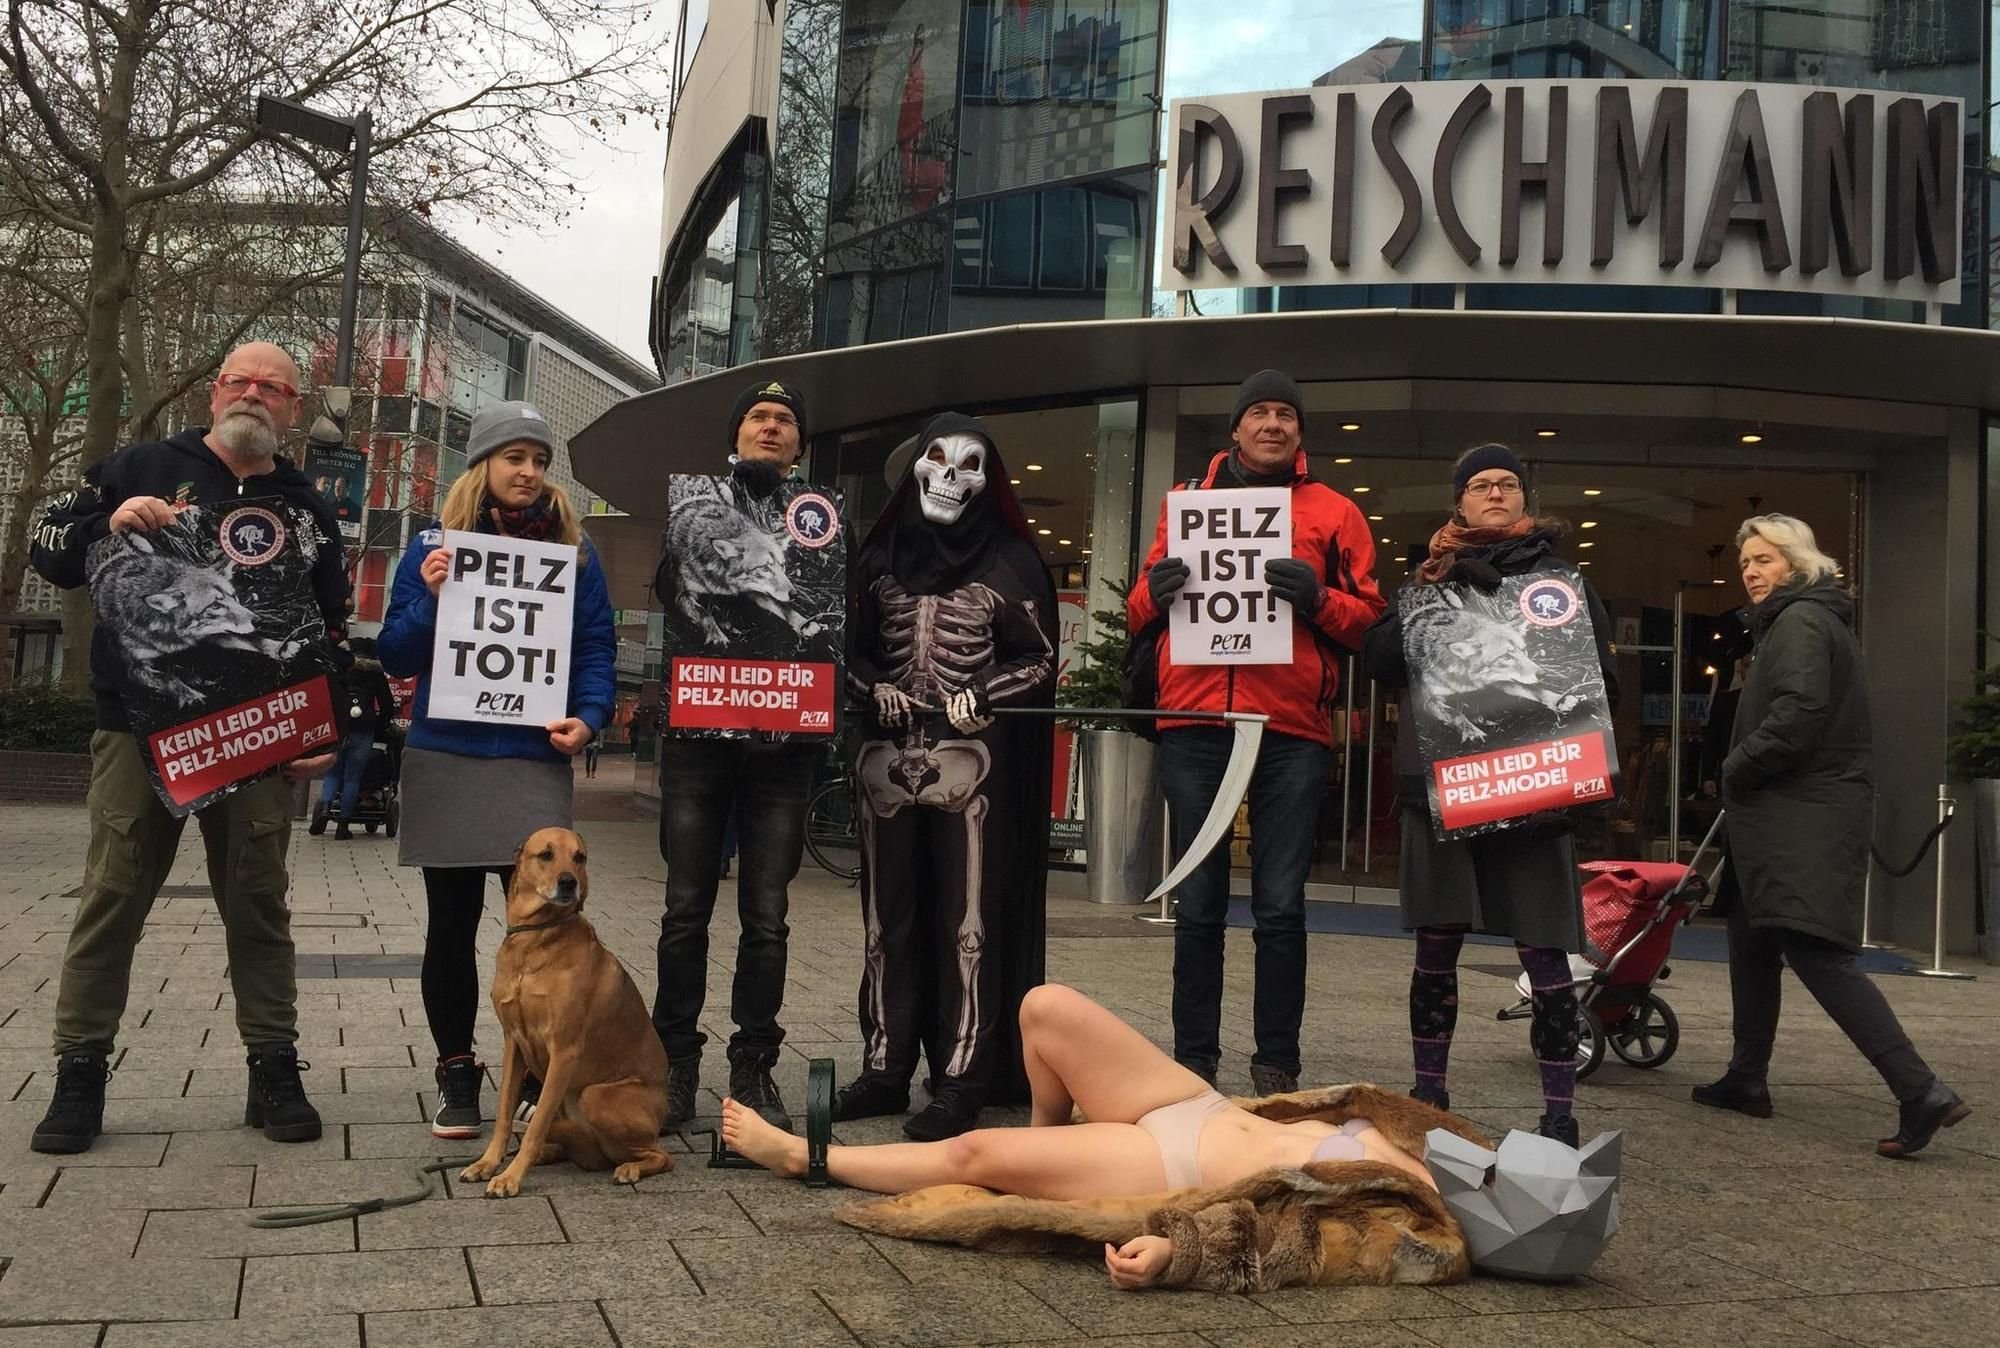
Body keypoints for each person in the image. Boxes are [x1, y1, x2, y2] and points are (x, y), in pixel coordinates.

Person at [26, 341, 345, 1154]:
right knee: (114, 895)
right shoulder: (137, 465)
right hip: (140, 728)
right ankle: (79, 1071)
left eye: (273, 388)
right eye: (240, 382)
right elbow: (48, 545)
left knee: (258, 903)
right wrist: (108, 520)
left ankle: (273, 1066)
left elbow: (328, 629)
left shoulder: (307, 507)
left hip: (258, 740)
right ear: (214, 395)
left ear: (293, 408)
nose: (254, 395)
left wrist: (324, 726)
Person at [719, 984, 1475, 1292]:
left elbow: (1293, 1246)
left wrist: (1184, 1252)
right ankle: (1049, 1148)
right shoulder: (1443, 1144)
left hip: (1171, 1163)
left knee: (974, 1154)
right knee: (1044, 1007)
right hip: (1195, 1104)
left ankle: (805, 1156)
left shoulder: (1427, 1231)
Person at [1126, 369, 1385, 1094]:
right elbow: (1136, 611)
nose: (1273, 424)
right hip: (1195, 722)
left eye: (1286, 414)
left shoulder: (1337, 512)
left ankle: (1277, 1062)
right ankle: (1194, 1061)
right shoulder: (1184, 504)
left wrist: (1320, 600)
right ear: (1236, 428)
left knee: (1280, 906)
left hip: (1291, 729)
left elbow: (1371, 620)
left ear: (1300, 432)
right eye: (1259, 413)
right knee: (1199, 903)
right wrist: (1158, 591)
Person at [1361, 444, 1617, 1147]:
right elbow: (1381, 662)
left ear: (1525, 500)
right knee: (1436, 945)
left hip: (1533, 790)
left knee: (1543, 952)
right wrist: (1424, 595)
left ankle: (1560, 1111)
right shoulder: (1432, 577)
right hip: (1442, 788)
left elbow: (1600, 684)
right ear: (1460, 504)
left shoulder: (1561, 581)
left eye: (1508, 483)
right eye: (1481, 485)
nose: (1496, 492)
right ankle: (1429, 1093)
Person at [1695, 514, 1971, 1158]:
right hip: (1783, 818)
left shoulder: (1801, 622)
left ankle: (1920, 1089)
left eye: (1765, 560)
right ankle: (1746, 1076)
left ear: (1796, 563)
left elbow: (1800, 714)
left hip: (1801, 817)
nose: (1753, 571)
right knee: (1750, 937)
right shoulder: (1800, 622)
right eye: (1746, 563)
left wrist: (1735, 767)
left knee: (1818, 952)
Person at [378, 400, 617, 1140]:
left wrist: (592, 715)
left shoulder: (575, 555)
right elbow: (395, 653)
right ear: (483, 465)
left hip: (531, 761)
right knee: (449, 926)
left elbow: (596, 647)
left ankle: (540, 1072)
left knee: (550, 925)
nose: (530, 473)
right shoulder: (431, 545)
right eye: (516, 458)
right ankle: (457, 1070)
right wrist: (433, 595)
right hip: (449, 755)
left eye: (540, 461)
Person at [834, 412, 1058, 1140]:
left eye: (971, 465)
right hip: (886, 760)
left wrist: (984, 692)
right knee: (886, 919)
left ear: (989, 481)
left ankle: (963, 1076)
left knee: (970, 923)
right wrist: (874, 689)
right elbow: (848, 652)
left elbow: (1040, 658)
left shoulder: (1012, 563)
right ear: (915, 471)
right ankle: (886, 1066)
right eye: (937, 460)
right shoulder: (878, 562)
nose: (950, 478)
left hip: (973, 763)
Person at [652, 380, 832, 1131]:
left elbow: (827, 616)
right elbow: (674, 599)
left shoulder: (817, 520)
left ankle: (753, 1064)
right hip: (700, 740)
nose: (771, 426)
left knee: (768, 916)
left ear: (798, 443)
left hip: (784, 747)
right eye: (758, 417)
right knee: (684, 909)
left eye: (785, 419)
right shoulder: (695, 506)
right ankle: (671, 1064)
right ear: (736, 436)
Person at [312, 637, 399, 839]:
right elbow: (387, 705)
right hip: (364, 729)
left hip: (339, 726)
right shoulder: (376, 675)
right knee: (353, 778)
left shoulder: (341, 668)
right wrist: (380, 725)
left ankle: (324, 810)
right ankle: (343, 826)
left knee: (333, 773)